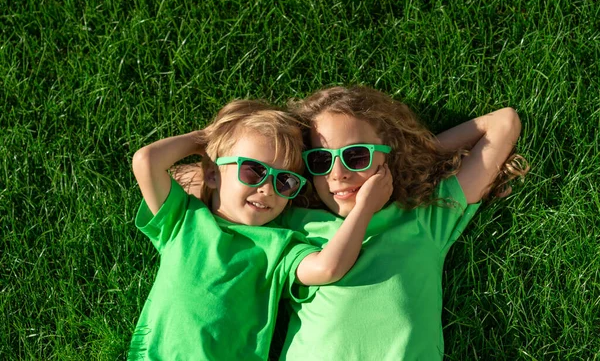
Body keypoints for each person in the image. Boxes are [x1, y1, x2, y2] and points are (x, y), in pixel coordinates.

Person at [277, 86, 529, 360]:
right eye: (321, 159)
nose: (338, 174)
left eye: (357, 155)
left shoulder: (424, 217)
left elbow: (503, 122)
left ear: (388, 155)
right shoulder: (296, 223)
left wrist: (409, 156)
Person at [128, 99, 392, 360]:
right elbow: (146, 161)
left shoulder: (277, 245)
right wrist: (208, 137)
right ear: (212, 174)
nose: (267, 189)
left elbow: (327, 268)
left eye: (285, 181)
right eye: (254, 171)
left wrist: (364, 208)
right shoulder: (184, 219)